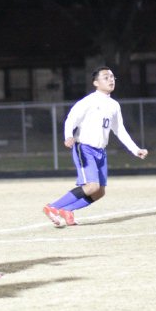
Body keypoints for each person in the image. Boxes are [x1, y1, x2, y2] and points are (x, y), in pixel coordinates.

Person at [43, 66, 148, 227]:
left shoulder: (114, 105)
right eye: (106, 77)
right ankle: (53, 207)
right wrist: (68, 136)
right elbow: (71, 119)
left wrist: (135, 149)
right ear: (96, 83)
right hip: (84, 148)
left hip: (101, 151)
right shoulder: (89, 101)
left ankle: (68, 210)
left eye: (113, 77)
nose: (111, 80)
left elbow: (119, 130)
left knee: (99, 192)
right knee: (92, 186)